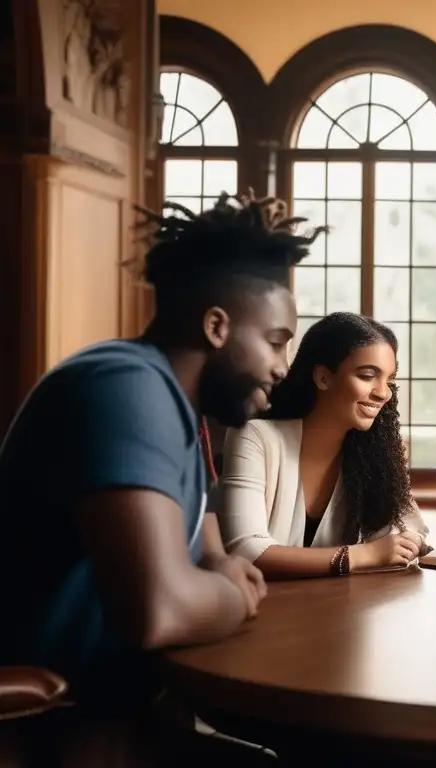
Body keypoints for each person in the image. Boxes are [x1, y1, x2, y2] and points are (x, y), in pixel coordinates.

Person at [0, 193, 323, 762]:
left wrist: (219, 578)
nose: (282, 367)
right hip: (63, 726)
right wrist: (230, 594)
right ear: (217, 326)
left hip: (135, 703)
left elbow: (217, 555)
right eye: (275, 341)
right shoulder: (124, 388)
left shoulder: (183, 411)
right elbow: (162, 610)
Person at [217, 312, 429, 579]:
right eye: (367, 376)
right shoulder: (255, 437)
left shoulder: (372, 451)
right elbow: (245, 549)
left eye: (389, 380)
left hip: (336, 610)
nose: (383, 392)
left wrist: (403, 541)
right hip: (260, 609)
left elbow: (407, 528)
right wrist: (365, 554)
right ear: (323, 378)